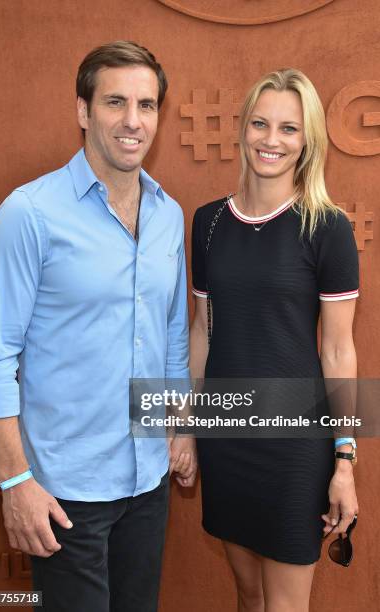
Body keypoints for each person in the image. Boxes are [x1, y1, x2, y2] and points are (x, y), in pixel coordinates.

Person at [0, 41, 196, 612]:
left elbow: (171, 338)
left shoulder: (168, 217)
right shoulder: (29, 215)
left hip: (147, 479)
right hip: (63, 490)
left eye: (147, 105)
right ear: (83, 110)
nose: (133, 120)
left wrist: (179, 428)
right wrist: (14, 483)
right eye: (115, 101)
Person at [189, 68, 359, 612]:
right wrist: (188, 430)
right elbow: (201, 332)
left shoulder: (327, 227)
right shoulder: (209, 222)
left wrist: (345, 459)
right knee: (247, 595)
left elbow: (337, 350)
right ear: (243, 128)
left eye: (289, 128)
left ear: (307, 139)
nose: (271, 139)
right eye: (261, 123)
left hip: (294, 449)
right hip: (227, 437)